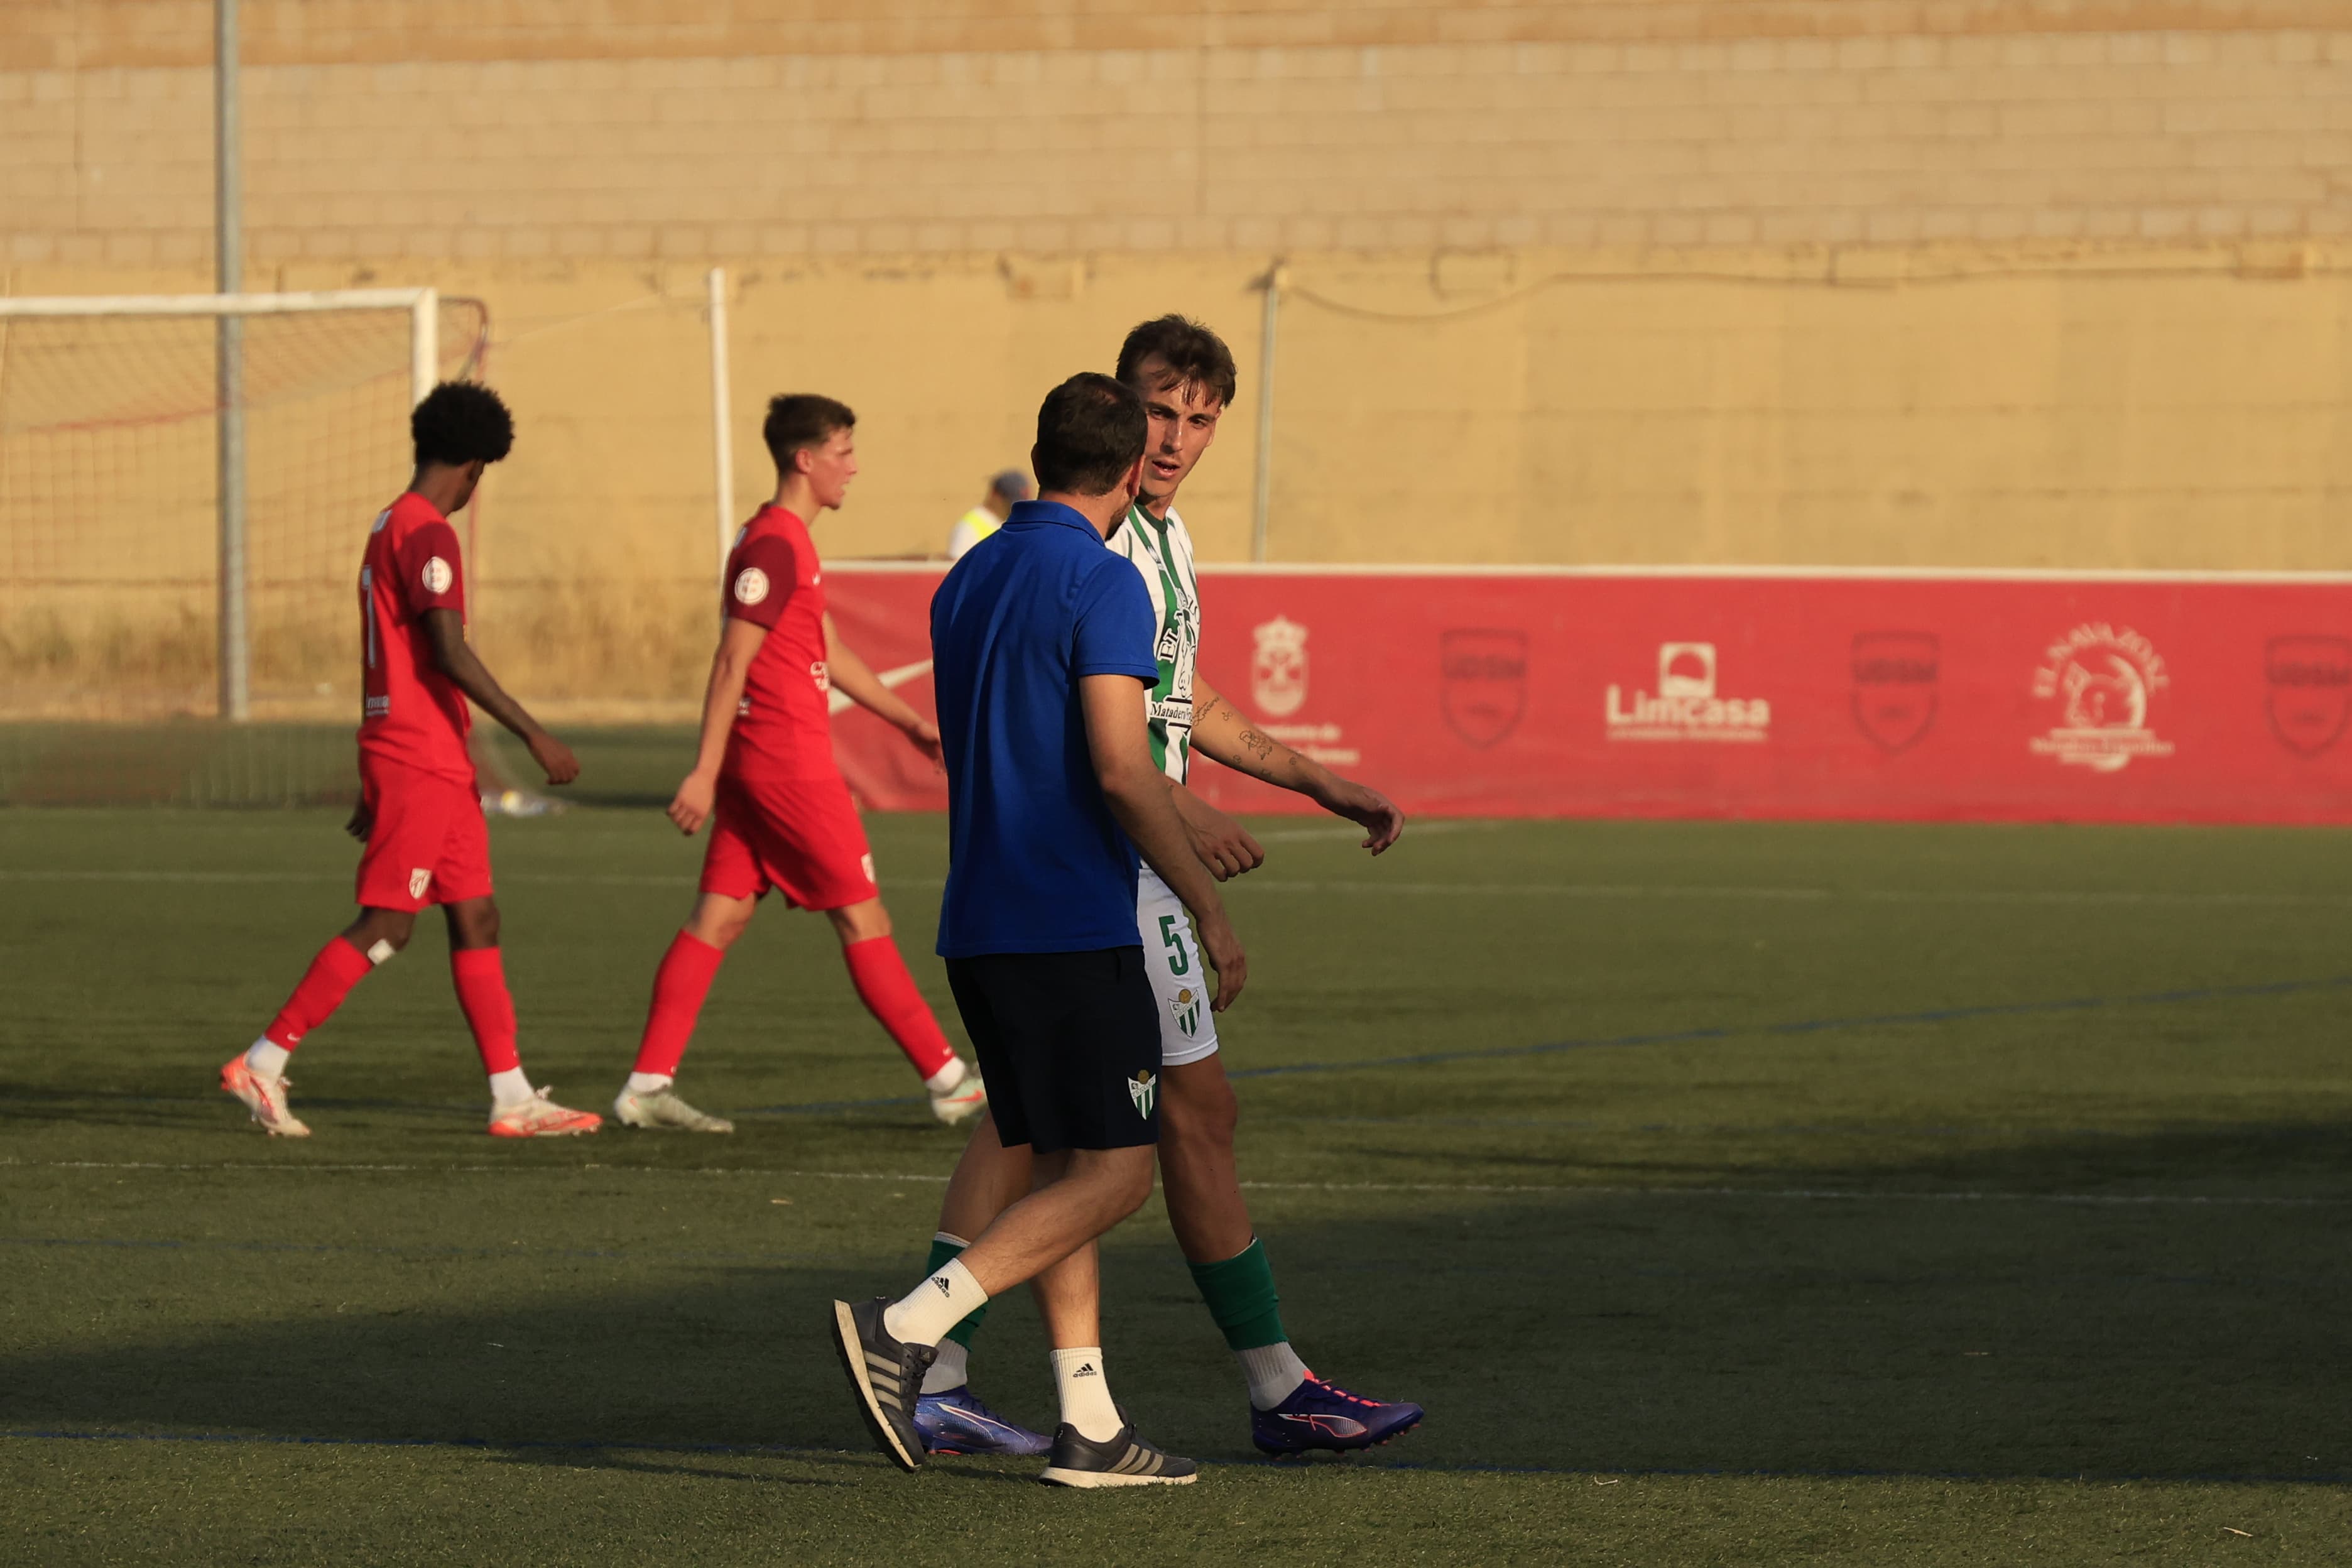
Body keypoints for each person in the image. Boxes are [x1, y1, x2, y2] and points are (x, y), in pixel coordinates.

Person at [910, 317, 1424, 1461]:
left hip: (1081, 871)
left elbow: (1180, 703)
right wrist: (1185, 842)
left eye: (1199, 417)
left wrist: (1315, 781)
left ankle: (994, 1384)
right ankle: (1265, 1383)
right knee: (1143, 1131)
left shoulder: (1162, 537)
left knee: (1043, 1117)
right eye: (1158, 406)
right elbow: (1111, 745)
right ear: (1115, 401)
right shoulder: (1098, 548)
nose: (1176, 434)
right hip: (1113, 873)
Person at [831, 373, 1244, 1488]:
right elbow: (1121, 769)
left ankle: (1088, 1422)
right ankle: (909, 1328)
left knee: (1066, 1160)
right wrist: (1204, 902)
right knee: (1117, 1175)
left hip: (977, 919)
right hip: (1069, 917)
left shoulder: (967, 577)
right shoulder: (1105, 584)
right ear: (1123, 472)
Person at [219, 381, 599, 1140]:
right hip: (419, 758)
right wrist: (533, 734)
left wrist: (374, 778)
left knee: (476, 915)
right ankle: (263, 1061)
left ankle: (513, 1096)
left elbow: (387, 663)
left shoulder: (387, 524)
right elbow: (446, 650)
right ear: (470, 464)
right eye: (481, 473)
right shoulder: (427, 533)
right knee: (390, 924)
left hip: (426, 759)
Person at [612, 395, 985, 1133]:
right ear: (805, 460)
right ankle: (948, 1080)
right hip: (787, 769)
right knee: (862, 914)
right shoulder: (774, 546)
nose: (854, 466)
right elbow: (730, 662)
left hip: (764, 772)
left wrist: (908, 721)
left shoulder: (785, 542)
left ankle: (646, 1087)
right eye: (843, 451)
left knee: (717, 919)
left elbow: (827, 650)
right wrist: (701, 769)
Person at [944, 469, 1031, 560]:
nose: (1016, 509)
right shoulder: (969, 529)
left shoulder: (1010, 524)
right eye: (1010, 503)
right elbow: (958, 567)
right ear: (995, 495)